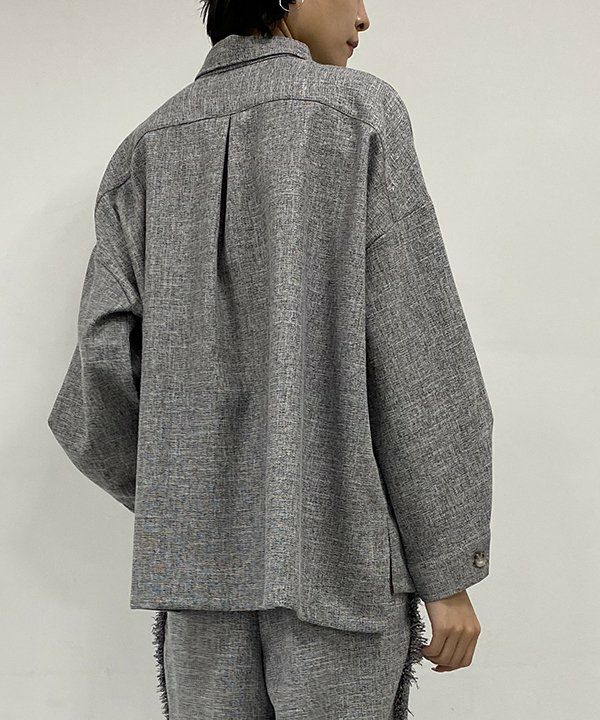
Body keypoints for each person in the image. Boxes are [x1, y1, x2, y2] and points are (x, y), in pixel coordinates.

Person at [47, 1, 494, 718]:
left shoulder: (145, 149)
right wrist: (447, 570)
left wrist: (184, 495)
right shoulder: (359, 115)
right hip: (341, 568)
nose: (364, 16)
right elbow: (418, 351)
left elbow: (101, 367)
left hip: (197, 581)